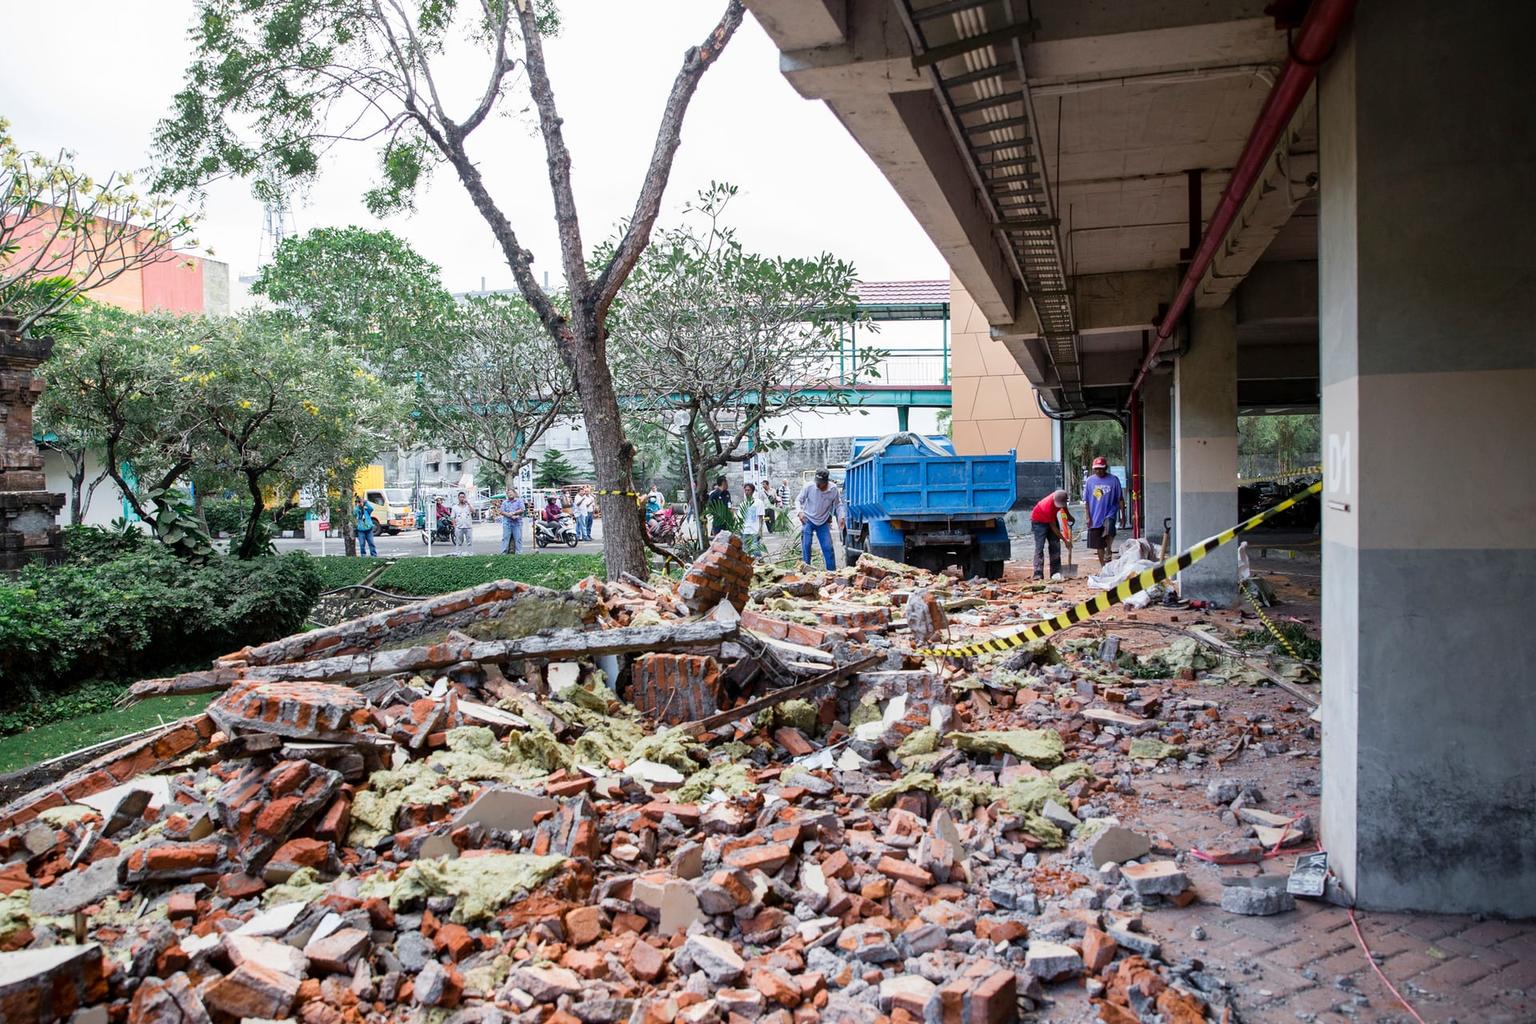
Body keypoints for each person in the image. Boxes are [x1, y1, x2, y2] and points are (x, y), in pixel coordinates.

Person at [795, 469, 844, 569]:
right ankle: (806, 570)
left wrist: (841, 517)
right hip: (808, 520)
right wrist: (800, 512)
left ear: (826, 482)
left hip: (823, 522)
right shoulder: (809, 486)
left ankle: (832, 573)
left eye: (820, 483)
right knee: (806, 545)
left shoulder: (833, 489)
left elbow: (838, 504)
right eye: (817, 482)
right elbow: (798, 500)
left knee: (828, 547)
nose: (818, 485)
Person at [1082, 456, 1124, 566]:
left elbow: (1120, 498)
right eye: (1096, 469)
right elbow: (1086, 500)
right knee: (1099, 544)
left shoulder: (1113, 480)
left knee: (1109, 529)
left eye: (1101, 468)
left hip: (1110, 512)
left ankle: (1109, 548)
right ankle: (1103, 566)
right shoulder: (1090, 481)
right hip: (1095, 515)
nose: (1099, 471)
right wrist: (1087, 516)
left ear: (1105, 468)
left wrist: (1123, 515)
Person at [1030, 489, 1074, 580]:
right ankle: (1038, 573)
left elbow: (1064, 506)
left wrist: (1069, 516)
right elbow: (1054, 528)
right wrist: (1065, 541)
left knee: (1055, 545)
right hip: (1038, 521)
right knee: (1040, 546)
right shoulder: (1048, 506)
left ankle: (1055, 572)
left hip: (1051, 519)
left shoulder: (1060, 499)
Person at [739, 482, 767, 556]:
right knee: (746, 552)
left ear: (753, 491)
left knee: (755, 551)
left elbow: (761, 518)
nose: (747, 492)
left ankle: (759, 564)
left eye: (749, 490)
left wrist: (760, 531)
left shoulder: (758, 503)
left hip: (754, 531)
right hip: (745, 531)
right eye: (745, 490)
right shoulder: (742, 504)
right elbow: (740, 519)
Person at [499, 488, 525, 554]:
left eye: (511, 492)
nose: (510, 494)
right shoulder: (505, 502)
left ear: (514, 493)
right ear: (507, 495)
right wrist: (509, 515)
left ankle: (519, 553)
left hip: (517, 523)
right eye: (508, 493)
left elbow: (522, 509)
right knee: (505, 538)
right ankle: (503, 553)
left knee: (518, 539)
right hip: (507, 523)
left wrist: (514, 513)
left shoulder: (519, 501)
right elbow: (501, 511)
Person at [451, 490, 475, 556]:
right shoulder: (454, 507)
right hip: (459, 527)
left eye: (463, 497)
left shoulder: (468, 506)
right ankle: (458, 553)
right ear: (458, 498)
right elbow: (452, 517)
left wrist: (468, 503)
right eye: (461, 497)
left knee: (469, 541)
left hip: (468, 526)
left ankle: (470, 553)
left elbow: (473, 511)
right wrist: (454, 525)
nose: (462, 498)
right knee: (459, 541)